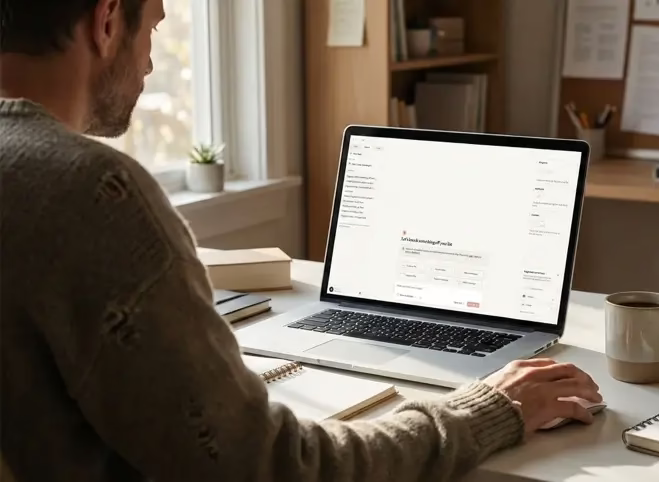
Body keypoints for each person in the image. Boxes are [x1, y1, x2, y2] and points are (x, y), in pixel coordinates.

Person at [0, 0, 603, 481]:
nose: (152, 64)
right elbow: (278, 467)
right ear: (107, 20)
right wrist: (491, 411)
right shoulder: (96, 193)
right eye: (153, 28)